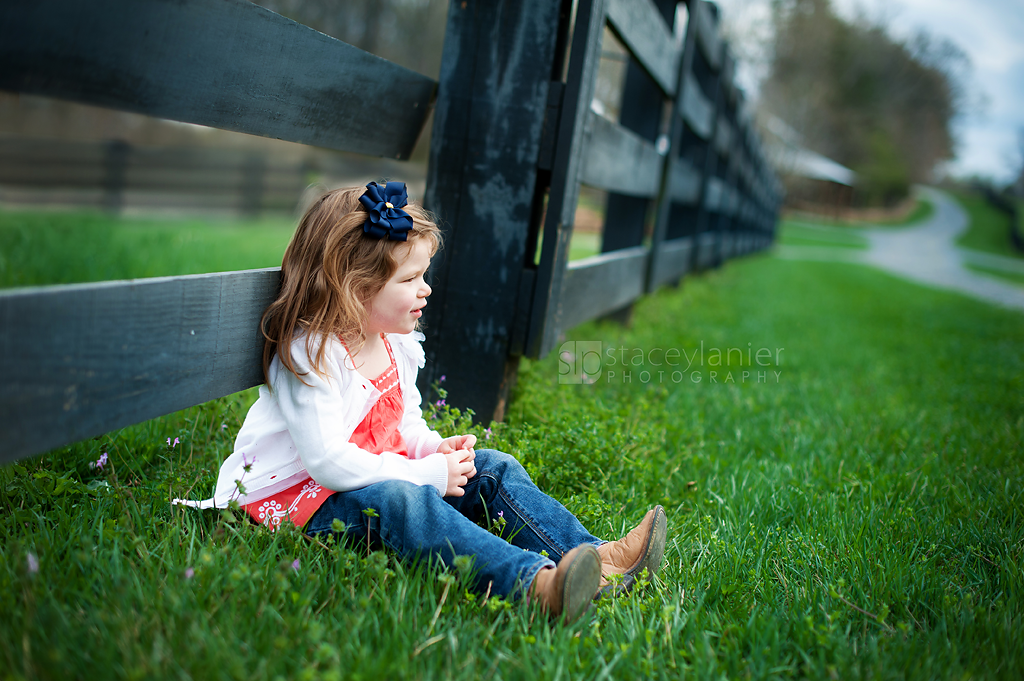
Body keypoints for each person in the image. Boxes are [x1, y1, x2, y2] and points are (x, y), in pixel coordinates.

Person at [175, 182, 668, 623]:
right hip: (303, 499)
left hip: (376, 473)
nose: (425, 289)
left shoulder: (392, 342)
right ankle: (538, 587)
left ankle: (597, 558)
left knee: (491, 468)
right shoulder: (312, 354)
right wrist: (423, 475)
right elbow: (327, 463)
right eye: (409, 279)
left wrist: (432, 449)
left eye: (423, 274)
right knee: (403, 503)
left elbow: (402, 418)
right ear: (354, 287)